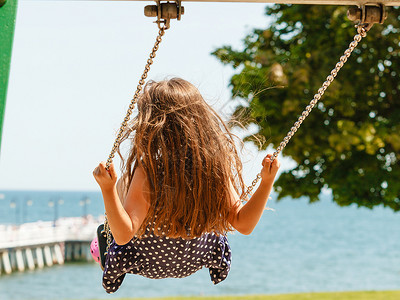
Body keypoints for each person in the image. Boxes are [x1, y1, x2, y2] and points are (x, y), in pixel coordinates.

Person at [93, 78, 280, 293]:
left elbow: (124, 235)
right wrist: (266, 182)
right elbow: (243, 225)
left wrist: (108, 189)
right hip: (197, 257)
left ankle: (106, 241)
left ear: (152, 125)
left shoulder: (149, 172)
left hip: (146, 259)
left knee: (124, 183)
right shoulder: (213, 168)